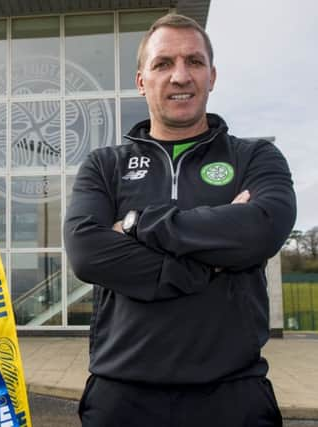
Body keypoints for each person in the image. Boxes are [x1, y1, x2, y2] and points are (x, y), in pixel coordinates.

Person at [64, 13, 295, 427]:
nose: (180, 76)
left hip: (233, 396)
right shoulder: (105, 166)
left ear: (212, 76)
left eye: (194, 62)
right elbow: (87, 252)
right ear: (141, 80)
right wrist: (208, 263)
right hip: (121, 398)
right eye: (163, 63)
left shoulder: (254, 157)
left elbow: (262, 228)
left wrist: (136, 224)